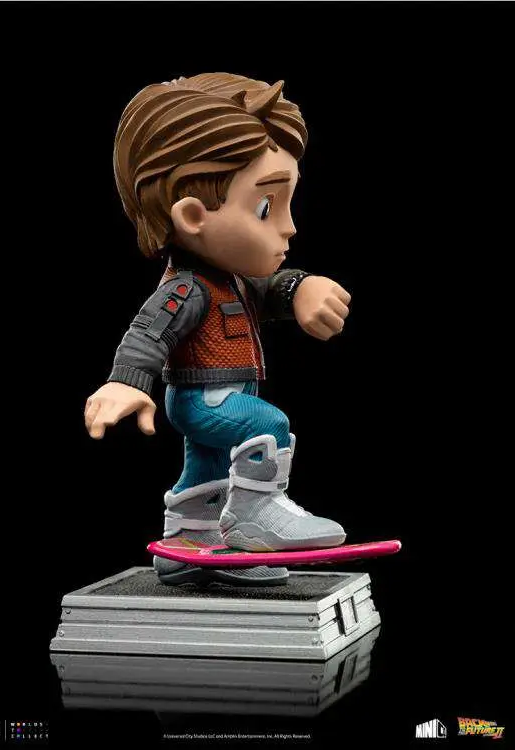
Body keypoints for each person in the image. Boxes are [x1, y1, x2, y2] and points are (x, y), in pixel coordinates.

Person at [84, 74, 351, 586]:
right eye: (266, 208)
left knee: (205, 473)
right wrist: (126, 381)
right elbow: (149, 331)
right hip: (204, 401)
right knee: (267, 425)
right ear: (192, 215)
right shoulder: (187, 288)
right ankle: (257, 515)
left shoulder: (231, 280)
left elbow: (269, 289)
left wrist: (301, 288)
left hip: (222, 394)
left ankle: (189, 545)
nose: (290, 226)